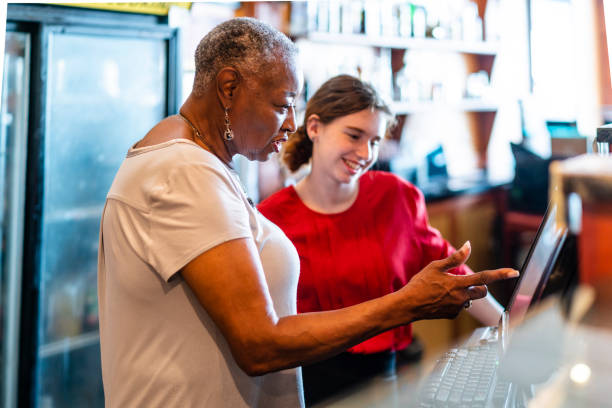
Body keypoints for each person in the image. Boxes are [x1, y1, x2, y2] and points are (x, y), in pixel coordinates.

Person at [97, 18, 518, 408]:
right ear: (228, 88)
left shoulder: (197, 161)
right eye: (283, 105)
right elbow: (259, 343)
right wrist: (405, 305)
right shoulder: (184, 171)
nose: (292, 123)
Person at [257, 74, 506, 405]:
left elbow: (453, 273)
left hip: (384, 376)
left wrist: (509, 329)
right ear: (314, 127)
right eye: (354, 135)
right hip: (303, 383)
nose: (364, 152)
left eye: (374, 141)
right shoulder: (271, 219)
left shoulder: (395, 196)